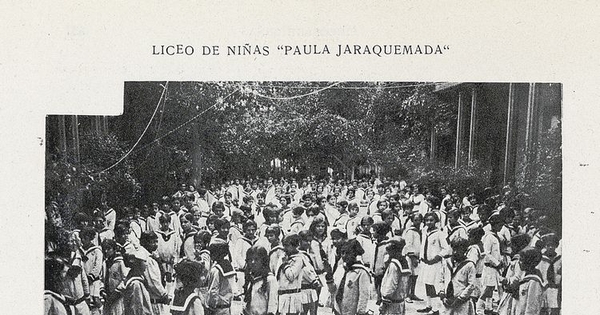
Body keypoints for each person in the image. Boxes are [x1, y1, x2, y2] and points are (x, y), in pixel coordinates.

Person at [418, 212, 451, 315]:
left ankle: (436, 309)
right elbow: (423, 245)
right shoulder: (424, 231)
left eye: (431, 220)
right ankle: (429, 305)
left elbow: (447, 249)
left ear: (436, 221)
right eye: (427, 220)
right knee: (427, 284)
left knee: (432, 285)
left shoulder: (439, 234)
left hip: (434, 263)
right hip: (425, 263)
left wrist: (437, 257)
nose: (429, 222)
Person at [333, 239, 372, 315]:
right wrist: (329, 277)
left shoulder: (361, 272)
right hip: (338, 309)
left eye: (347, 253)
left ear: (354, 254)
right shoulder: (340, 269)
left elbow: (364, 296)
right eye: (342, 253)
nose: (344, 256)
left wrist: (360, 312)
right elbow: (333, 290)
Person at [478, 213, 504, 315]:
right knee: (487, 289)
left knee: (492, 288)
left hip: (495, 267)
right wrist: (496, 263)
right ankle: (479, 309)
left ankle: (488, 308)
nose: (501, 227)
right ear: (493, 224)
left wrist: (500, 261)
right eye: (499, 225)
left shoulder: (496, 236)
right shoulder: (489, 237)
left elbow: (497, 252)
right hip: (490, 266)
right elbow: (486, 253)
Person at [441, 239, 476, 315]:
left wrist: (461, 298)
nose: (456, 252)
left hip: (461, 302)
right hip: (447, 300)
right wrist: (442, 292)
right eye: (454, 249)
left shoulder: (469, 265)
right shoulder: (447, 262)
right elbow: (442, 278)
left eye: (459, 250)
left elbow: (471, 285)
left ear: (465, 251)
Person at [140, 232, 170, 315]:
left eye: (156, 242)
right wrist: (164, 294)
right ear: (144, 242)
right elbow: (153, 281)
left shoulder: (151, 256)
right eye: (152, 242)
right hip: (153, 299)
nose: (155, 245)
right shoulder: (147, 259)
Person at [243, 246, 278, 315]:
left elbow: (273, 304)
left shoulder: (270, 280)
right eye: (250, 259)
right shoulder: (250, 278)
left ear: (263, 261)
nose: (253, 262)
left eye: (256, 259)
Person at [379, 239, 411, 315]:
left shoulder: (394, 265)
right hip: (400, 300)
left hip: (392, 302)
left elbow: (391, 284)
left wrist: (385, 301)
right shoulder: (404, 262)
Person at [276, 234, 304, 315]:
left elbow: (291, 276)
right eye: (284, 245)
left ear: (295, 246)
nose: (285, 248)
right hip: (282, 293)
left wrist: (285, 265)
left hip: (292, 295)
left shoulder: (298, 259)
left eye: (287, 246)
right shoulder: (283, 256)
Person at [122, 245, 153, 315]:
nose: (147, 264)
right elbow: (137, 309)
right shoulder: (136, 284)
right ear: (137, 263)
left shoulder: (138, 279)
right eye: (144, 261)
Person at [205, 243, 235, 315]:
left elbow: (213, 291)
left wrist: (210, 306)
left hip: (218, 308)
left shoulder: (216, 270)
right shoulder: (229, 266)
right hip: (227, 306)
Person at [513, 247, 544, 315]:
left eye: (521, 260)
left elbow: (532, 307)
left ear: (528, 262)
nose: (518, 262)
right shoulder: (524, 275)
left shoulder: (534, 281)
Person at [80, 227, 103, 315]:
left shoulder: (97, 250)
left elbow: (98, 266)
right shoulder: (80, 251)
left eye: (85, 238)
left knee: (96, 299)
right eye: (81, 238)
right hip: (84, 279)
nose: (83, 240)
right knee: (86, 300)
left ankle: (102, 312)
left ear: (90, 238)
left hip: (94, 280)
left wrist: (92, 276)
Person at [537, 233, 561, 315]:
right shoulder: (541, 259)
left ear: (556, 246)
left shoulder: (559, 259)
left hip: (555, 288)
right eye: (548, 245)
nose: (551, 247)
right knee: (542, 309)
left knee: (555, 309)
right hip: (544, 287)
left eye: (553, 245)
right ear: (545, 246)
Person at [297, 231, 319, 315]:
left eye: (310, 241)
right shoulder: (300, 255)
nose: (308, 243)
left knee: (313, 311)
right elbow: (306, 270)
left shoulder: (308, 254)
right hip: (304, 287)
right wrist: (314, 280)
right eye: (306, 241)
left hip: (310, 288)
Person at [402, 213, 423, 302]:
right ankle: (406, 295)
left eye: (419, 220)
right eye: (415, 220)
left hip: (417, 257)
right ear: (412, 221)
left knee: (415, 276)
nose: (417, 222)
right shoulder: (410, 231)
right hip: (410, 257)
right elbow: (409, 245)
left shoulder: (419, 231)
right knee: (409, 276)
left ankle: (412, 293)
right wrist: (413, 257)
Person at [370, 222, 391, 304]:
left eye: (374, 230)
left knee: (383, 292)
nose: (372, 232)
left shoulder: (387, 245)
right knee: (377, 291)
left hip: (383, 273)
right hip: (376, 273)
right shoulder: (375, 243)